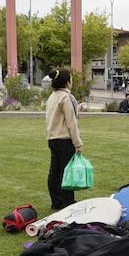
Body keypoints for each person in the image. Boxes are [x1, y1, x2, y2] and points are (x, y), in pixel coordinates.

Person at [44, 69, 83, 210]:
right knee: (66, 172)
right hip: (65, 140)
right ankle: (67, 201)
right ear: (67, 81)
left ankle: (56, 200)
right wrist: (78, 143)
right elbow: (71, 122)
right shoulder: (66, 97)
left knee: (54, 171)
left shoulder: (52, 96)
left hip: (52, 138)